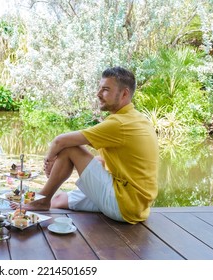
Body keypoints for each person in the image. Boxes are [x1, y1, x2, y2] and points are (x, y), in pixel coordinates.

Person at [14, 66, 159, 224]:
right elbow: (120, 161)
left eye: (105, 89)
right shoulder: (136, 118)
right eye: (100, 88)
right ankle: (46, 200)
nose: (98, 94)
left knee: (71, 148)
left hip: (123, 204)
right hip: (137, 207)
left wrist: (48, 161)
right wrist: (94, 164)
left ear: (124, 93)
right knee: (60, 200)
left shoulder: (119, 123)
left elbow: (60, 141)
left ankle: (42, 200)